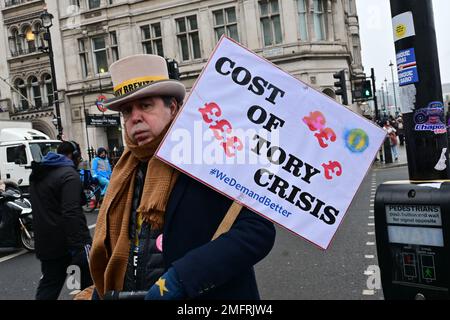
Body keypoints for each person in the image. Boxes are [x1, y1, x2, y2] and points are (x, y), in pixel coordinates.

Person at [88, 54, 276, 300]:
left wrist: (183, 278)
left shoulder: (209, 154)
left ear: (173, 108)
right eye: (126, 111)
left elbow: (257, 230)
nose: (134, 118)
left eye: (146, 106)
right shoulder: (124, 171)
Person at [29, 141, 93, 300]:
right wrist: (80, 246)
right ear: (74, 155)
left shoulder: (40, 172)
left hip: (47, 244)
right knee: (80, 288)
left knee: (49, 286)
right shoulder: (68, 174)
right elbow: (71, 212)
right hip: (70, 246)